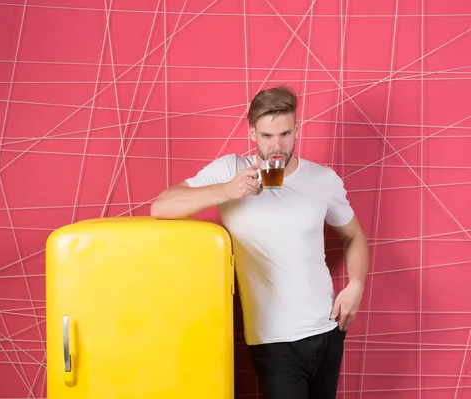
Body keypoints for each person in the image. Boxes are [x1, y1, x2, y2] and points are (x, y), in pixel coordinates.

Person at [150, 85, 369, 398]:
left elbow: (354, 236)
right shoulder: (231, 169)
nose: (277, 146)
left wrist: (356, 285)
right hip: (273, 340)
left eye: (285, 134)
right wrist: (227, 190)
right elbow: (161, 206)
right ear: (252, 131)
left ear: (297, 129)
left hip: (327, 328)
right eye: (267, 136)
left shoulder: (323, 179)